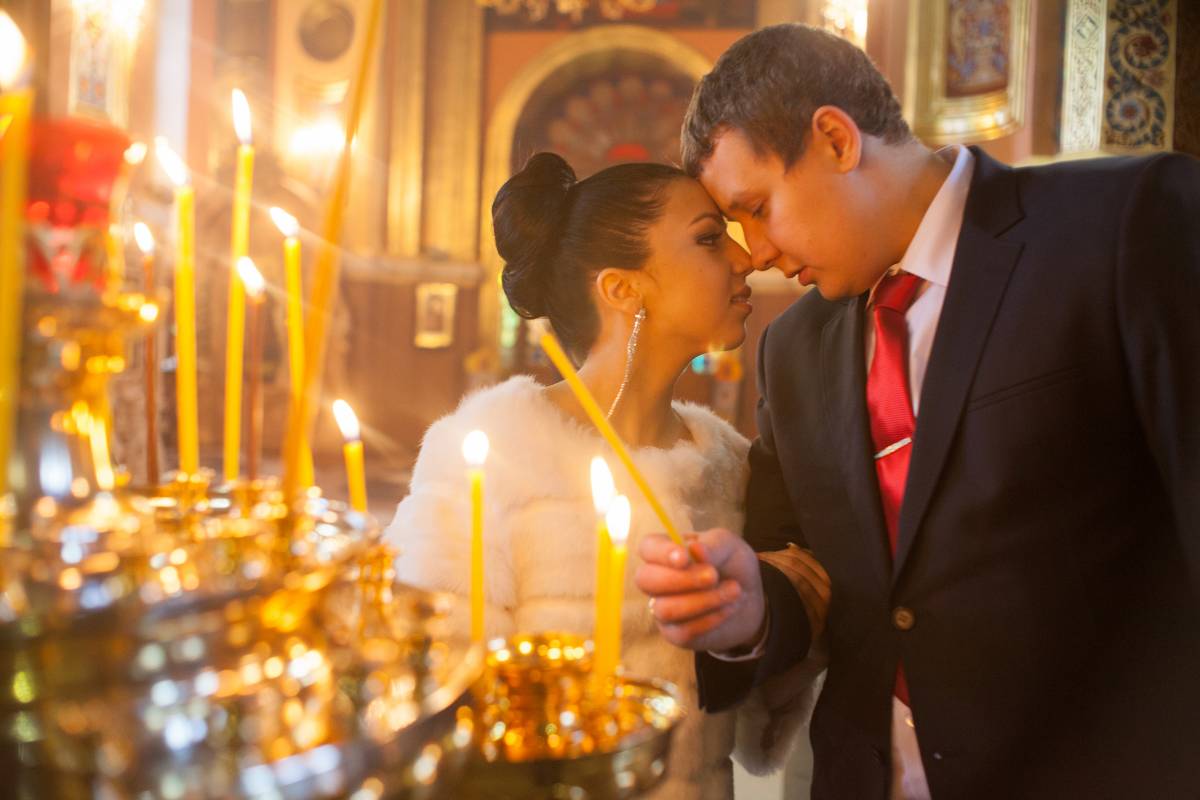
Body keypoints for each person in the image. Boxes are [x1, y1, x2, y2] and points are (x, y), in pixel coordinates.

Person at [635, 23, 1200, 800]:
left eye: (758, 207)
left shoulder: (1118, 226)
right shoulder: (794, 348)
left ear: (835, 138)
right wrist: (751, 605)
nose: (756, 252)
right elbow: (803, 563)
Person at [385, 152, 821, 799]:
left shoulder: (730, 463)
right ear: (622, 288)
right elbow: (426, 693)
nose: (746, 257)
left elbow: (760, 721)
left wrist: (758, 628)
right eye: (708, 238)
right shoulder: (490, 452)